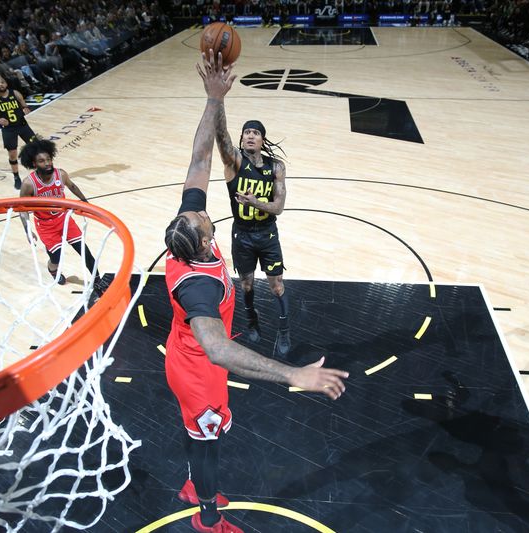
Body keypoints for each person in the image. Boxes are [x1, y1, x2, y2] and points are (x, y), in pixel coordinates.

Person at [164, 51, 348, 533]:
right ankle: (206, 516)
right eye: (199, 214)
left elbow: (200, 156)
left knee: (201, 439)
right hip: (199, 370)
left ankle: (194, 485)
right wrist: (293, 376)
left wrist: (213, 98)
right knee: (207, 445)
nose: (200, 207)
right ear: (204, 237)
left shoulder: (189, 239)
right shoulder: (198, 282)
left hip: (198, 361)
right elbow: (219, 349)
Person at [213, 100, 291, 356]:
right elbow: (221, 136)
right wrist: (217, 99)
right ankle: (252, 320)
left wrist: (254, 201)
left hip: (267, 234)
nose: (250, 136)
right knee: (246, 285)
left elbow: (278, 207)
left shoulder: (276, 167)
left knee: (277, 286)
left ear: (262, 140)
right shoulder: (234, 162)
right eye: (246, 132)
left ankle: (284, 329)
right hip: (242, 234)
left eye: (255, 133)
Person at [18, 137, 106, 294]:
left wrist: (86, 203)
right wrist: (27, 230)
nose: (47, 163)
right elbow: (22, 208)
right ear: (34, 164)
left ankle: (97, 280)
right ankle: (52, 270)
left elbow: (72, 186)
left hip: (64, 220)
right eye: (42, 161)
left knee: (85, 251)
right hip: (46, 226)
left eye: (49, 159)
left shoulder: (61, 174)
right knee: (56, 258)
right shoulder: (28, 184)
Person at [0, 76, 36, 190]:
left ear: (6, 83)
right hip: (8, 129)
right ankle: (16, 177)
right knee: (12, 154)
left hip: (22, 125)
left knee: (36, 147)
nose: (1, 84)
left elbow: (24, 105)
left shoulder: (15, 93)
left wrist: (26, 109)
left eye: (2, 82)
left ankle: (40, 170)